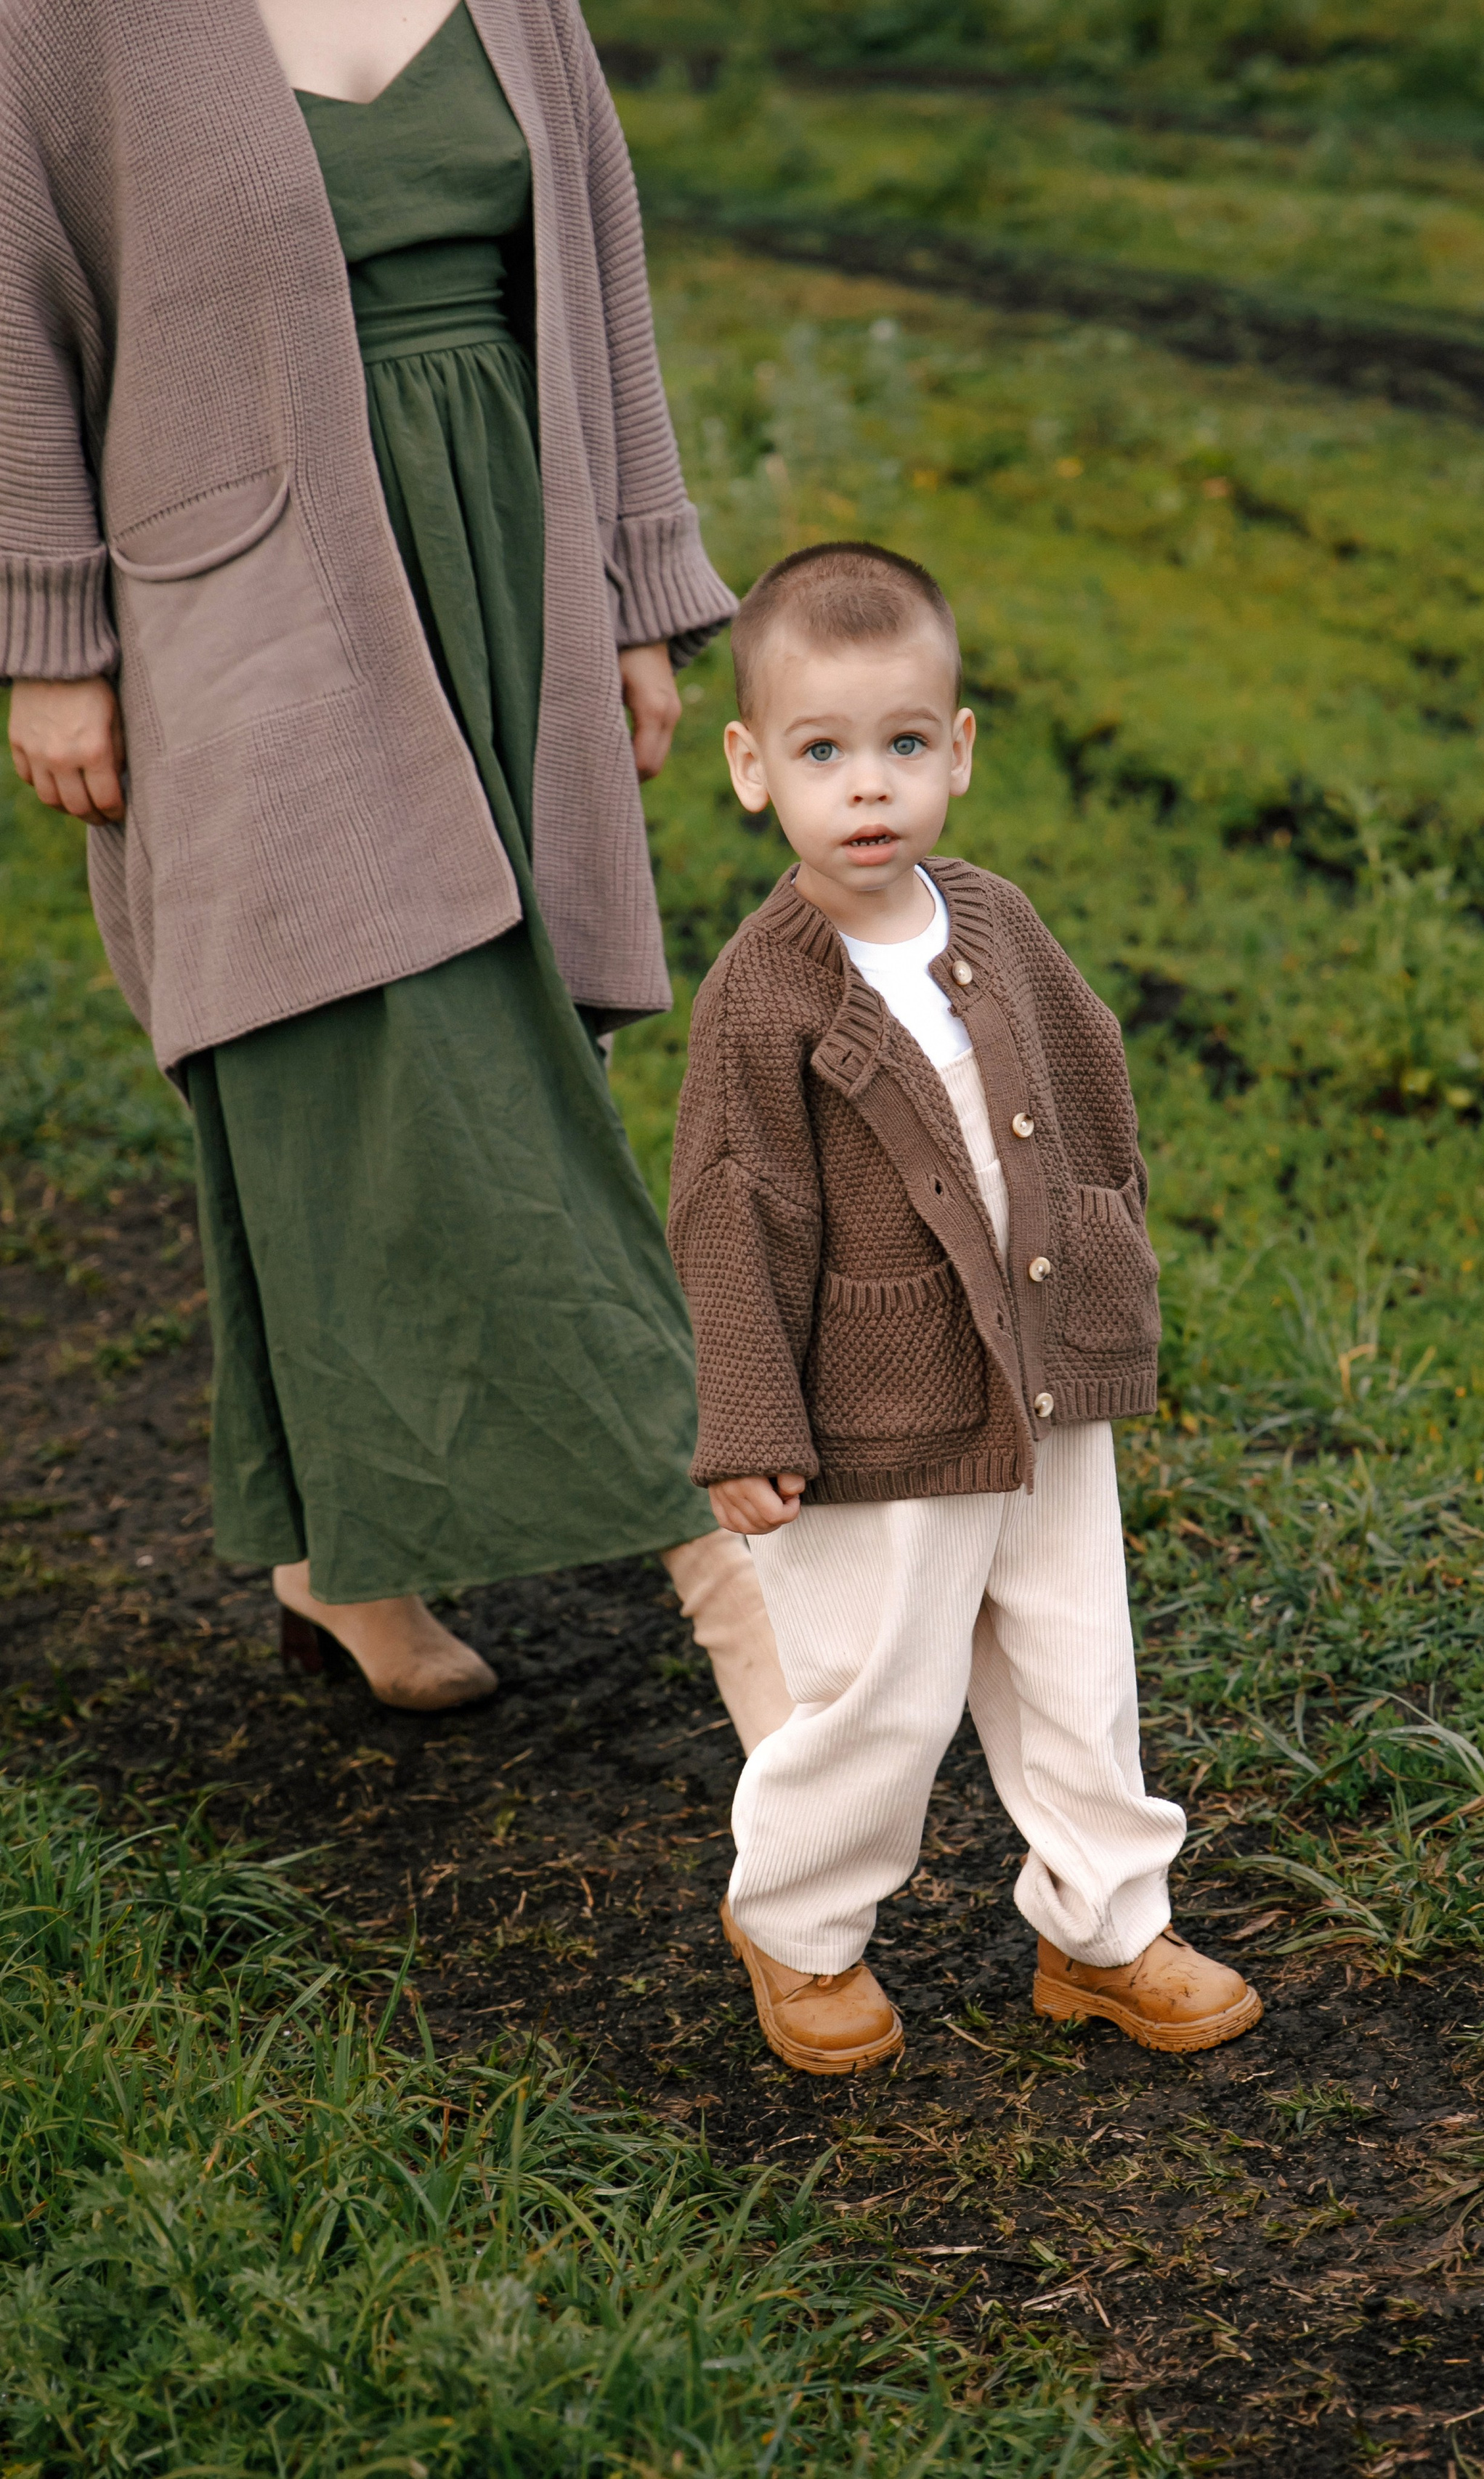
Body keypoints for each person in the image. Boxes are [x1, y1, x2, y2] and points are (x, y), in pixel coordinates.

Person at [0, 0, 792, 1747]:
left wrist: (636, 588)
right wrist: (45, 630)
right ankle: (723, 1567)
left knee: (409, 1069)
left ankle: (334, 1559)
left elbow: (599, 275)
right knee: (410, 1041)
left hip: (500, 542)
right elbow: (12, 302)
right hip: (248, 591)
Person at [666, 542, 1265, 2072]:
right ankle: (795, 1931)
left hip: (1044, 1394)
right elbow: (726, 1209)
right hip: (874, 1412)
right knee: (880, 1692)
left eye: (902, 746)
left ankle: (1106, 1930)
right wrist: (747, 1415)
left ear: (958, 752)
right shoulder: (768, 988)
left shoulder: (993, 926)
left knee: (1077, 1661)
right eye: (822, 752)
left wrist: (1107, 1297)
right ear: (752, 767)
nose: (867, 789)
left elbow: (1089, 1099)